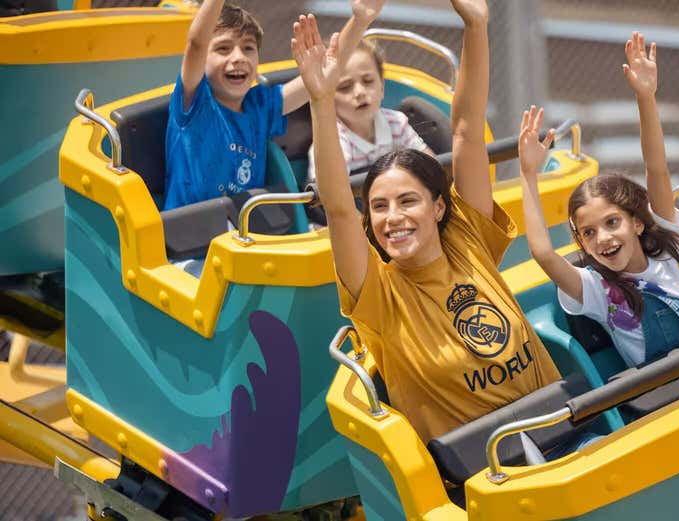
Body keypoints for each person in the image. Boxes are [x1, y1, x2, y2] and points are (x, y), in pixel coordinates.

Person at [293, 1, 561, 444]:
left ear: (439, 208)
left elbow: (468, 130)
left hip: (560, 427)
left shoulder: (467, 240)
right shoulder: (380, 296)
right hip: (486, 469)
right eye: (378, 207)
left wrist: (476, 26)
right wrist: (321, 102)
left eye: (407, 201)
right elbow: (340, 207)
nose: (392, 218)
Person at [517, 32, 679, 369]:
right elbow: (542, 253)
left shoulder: (671, 250)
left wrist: (646, 97)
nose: (603, 238)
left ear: (637, 222)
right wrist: (528, 174)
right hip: (665, 395)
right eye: (588, 233)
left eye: (611, 223)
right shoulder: (595, 290)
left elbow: (656, 168)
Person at [163, 0, 387, 211]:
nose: (239, 57)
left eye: (248, 48)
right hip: (190, 242)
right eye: (223, 49)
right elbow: (196, 43)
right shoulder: (194, 102)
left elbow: (329, 69)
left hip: (246, 233)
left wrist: (360, 21)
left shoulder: (261, 107)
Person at [305, 38, 432, 184]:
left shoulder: (396, 122)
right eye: (345, 87)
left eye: (368, 81)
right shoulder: (333, 141)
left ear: (382, 87)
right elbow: (330, 194)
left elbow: (430, 165)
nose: (360, 92)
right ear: (326, 99)